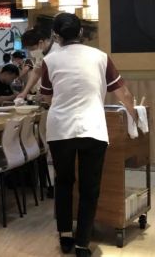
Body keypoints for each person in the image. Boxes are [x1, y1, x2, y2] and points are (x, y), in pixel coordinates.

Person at [40, 13, 137, 257]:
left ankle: (65, 235)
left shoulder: (49, 60)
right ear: (81, 32)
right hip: (92, 128)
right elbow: (124, 94)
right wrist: (135, 118)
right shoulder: (100, 57)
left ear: (56, 36)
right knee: (90, 187)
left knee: (63, 182)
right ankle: (82, 243)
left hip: (60, 129)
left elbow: (47, 98)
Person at [16, 26, 60, 100]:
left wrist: (47, 94)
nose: (31, 52)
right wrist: (25, 92)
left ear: (40, 43)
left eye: (31, 49)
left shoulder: (57, 51)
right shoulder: (41, 53)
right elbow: (36, 72)